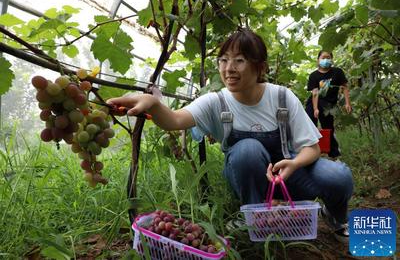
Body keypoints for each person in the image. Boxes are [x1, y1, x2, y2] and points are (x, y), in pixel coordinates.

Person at [107, 28, 353, 243]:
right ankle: (257, 223)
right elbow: (174, 120)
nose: (229, 68)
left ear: (260, 67)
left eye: (239, 60)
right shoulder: (216, 102)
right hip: (249, 179)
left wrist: (295, 163)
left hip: (288, 175)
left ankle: (334, 216)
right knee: (247, 150)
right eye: (223, 60)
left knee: (338, 175)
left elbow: (313, 148)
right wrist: (153, 103)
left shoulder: (281, 97)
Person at [305, 51, 352, 159]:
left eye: (328, 57)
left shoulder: (337, 72)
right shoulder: (314, 75)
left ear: (331, 59)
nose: (326, 59)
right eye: (323, 57)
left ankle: (334, 154)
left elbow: (344, 87)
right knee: (310, 125)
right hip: (313, 103)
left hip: (328, 105)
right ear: (318, 60)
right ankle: (311, 152)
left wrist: (347, 103)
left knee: (328, 128)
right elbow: (315, 93)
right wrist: (315, 108)